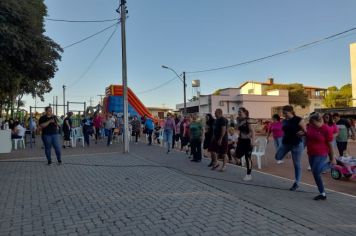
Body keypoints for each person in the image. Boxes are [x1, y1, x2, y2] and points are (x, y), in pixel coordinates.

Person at [275, 105, 306, 191]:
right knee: (277, 156)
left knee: (296, 164)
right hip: (286, 144)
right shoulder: (284, 121)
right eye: (283, 113)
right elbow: (284, 131)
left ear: (291, 112)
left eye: (285, 113)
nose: (284, 114)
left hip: (296, 144)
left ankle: (297, 183)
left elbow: (306, 132)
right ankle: (287, 153)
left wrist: (302, 133)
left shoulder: (298, 119)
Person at [306, 112, 336, 200]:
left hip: (321, 153)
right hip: (311, 153)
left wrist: (332, 157)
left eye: (313, 123)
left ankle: (331, 164)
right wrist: (303, 133)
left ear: (319, 120)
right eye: (311, 123)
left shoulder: (327, 129)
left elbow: (330, 145)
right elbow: (308, 134)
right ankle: (322, 193)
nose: (312, 124)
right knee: (315, 173)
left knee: (316, 171)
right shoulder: (311, 127)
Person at [235, 107, 255, 181]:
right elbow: (237, 128)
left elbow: (253, 132)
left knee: (248, 158)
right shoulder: (238, 120)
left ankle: (248, 175)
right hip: (241, 141)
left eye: (240, 112)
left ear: (245, 112)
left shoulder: (248, 120)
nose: (239, 113)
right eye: (238, 112)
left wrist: (253, 141)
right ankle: (239, 162)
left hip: (248, 141)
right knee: (236, 155)